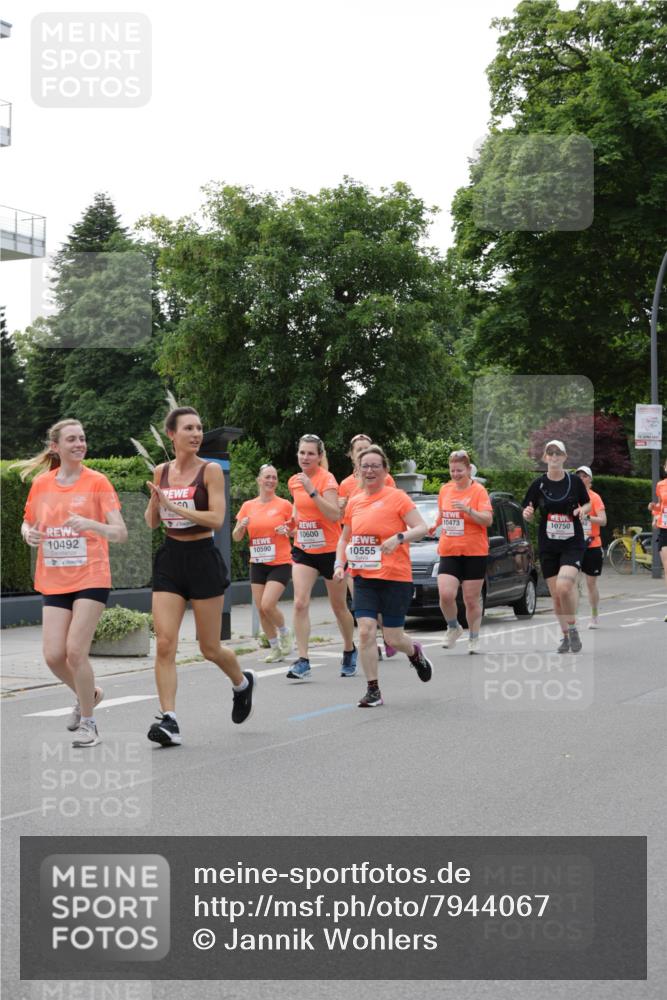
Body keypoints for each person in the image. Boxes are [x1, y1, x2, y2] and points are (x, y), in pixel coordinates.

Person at [144, 407, 255, 746]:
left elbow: (217, 519)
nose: (195, 434)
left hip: (203, 558)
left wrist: (174, 507)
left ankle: (242, 683)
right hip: (170, 558)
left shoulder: (210, 471)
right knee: (165, 643)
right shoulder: (161, 471)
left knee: (209, 647)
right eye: (188, 428)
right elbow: (152, 522)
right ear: (171, 434)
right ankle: (170, 720)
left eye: (199, 428)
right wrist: (155, 502)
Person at [16, 419, 128, 748]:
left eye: (82, 438)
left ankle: (89, 723)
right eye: (72, 439)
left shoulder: (98, 482)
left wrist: (90, 524)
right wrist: (28, 534)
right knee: (53, 656)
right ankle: (89, 693)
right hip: (54, 577)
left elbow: (120, 532)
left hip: (91, 574)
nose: (80, 444)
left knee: (75, 652)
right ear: (56, 447)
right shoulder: (42, 484)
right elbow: (27, 522)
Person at [333, 445, 432, 707]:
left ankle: (415, 654)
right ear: (358, 471)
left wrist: (399, 537)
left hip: (395, 577)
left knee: (393, 637)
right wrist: (339, 564)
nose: (370, 470)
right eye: (365, 466)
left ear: (385, 470)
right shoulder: (354, 502)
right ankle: (373, 690)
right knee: (365, 631)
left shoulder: (397, 497)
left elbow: (422, 528)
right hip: (364, 576)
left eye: (375, 465)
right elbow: (345, 539)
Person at [284, 434, 356, 680]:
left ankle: (349, 649)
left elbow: (335, 515)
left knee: (338, 607)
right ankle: (303, 659)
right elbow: (298, 508)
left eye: (310, 453)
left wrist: (313, 491)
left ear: (319, 456)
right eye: (302, 453)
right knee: (299, 602)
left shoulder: (327, 480)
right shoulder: (294, 481)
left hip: (330, 550)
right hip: (304, 548)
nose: (305, 457)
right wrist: (292, 524)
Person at [522, 440, 591, 653]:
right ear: (544, 458)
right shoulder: (538, 485)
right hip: (548, 544)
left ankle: (573, 628)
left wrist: (583, 510)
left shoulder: (574, 482)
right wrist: (528, 515)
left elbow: (587, 502)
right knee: (556, 594)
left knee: (563, 587)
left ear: (564, 457)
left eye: (557, 453)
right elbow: (528, 511)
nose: (553, 456)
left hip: (572, 543)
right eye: (550, 453)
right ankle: (565, 636)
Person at [338, 433, 398, 659]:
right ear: (352, 456)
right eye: (358, 450)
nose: (362, 452)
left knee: (380, 601)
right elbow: (342, 519)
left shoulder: (386, 478)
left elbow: (394, 508)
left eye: (366, 448)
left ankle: (388, 635)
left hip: (380, 548)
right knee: (363, 602)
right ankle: (372, 643)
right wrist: (340, 506)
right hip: (357, 550)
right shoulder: (345, 484)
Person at [431, 450, 493, 654]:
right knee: (446, 595)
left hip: (474, 551)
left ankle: (474, 637)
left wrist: (468, 511)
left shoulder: (478, 491)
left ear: (468, 470)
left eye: (459, 470)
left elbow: (487, 520)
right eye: (452, 470)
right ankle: (453, 627)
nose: (456, 474)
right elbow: (442, 515)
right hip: (449, 549)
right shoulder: (445, 490)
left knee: (470, 599)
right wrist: (433, 525)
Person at [232, 464, 293, 662]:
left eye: (274, 478)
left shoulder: (284, 505)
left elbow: (296, 530)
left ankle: (285, 632)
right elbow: (236, 537)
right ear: (259, 480)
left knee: (268, 605)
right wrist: (240, 526)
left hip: (280, 561)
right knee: (260, 609)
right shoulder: (248, 506)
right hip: (258, 562)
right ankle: (274, 648)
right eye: (267, 477)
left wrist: (288, 531)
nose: (271, 481)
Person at [575, 465, 607, 628]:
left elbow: (603, 520)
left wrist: (587, 517)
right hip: (574, 545)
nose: (581, 478)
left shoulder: (595, 498)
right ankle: (572, 617)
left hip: (592, 544)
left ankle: (594, 615)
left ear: (590, 479)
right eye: (578, 475)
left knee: (590, 583)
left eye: (584, 475)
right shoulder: (572, 497)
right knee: (571, 581)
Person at [648, 455, 667, 621]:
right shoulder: (660, 485)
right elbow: (660, 505)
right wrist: (654, 511)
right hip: (664, 529)